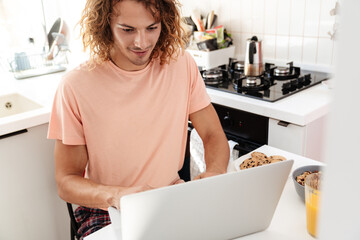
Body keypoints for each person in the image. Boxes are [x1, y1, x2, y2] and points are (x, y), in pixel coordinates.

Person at [48, 0, 229, 238]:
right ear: (105, 25)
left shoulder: (182, 65)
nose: (142, 42)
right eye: (127, 29)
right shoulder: (75, 86)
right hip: (108, 208)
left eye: (152, 28)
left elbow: (212, 134)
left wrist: (215, 172)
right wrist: (117, 196)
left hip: (171, 196)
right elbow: (66, 181)